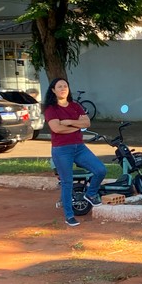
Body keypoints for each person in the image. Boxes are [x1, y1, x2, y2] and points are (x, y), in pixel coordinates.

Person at [43, 78, 106, 227]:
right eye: (59, 87)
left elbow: (87, 123)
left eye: (65, 86)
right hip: (62, 150)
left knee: (100, 170)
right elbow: (56, 129)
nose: (63, 88)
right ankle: (69, 216)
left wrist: (67, 122)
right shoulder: (51, 109)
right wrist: (76, 126)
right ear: (53, 90)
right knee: (67, 182)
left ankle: (90, 194)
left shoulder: (75, 106)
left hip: (79, 147)